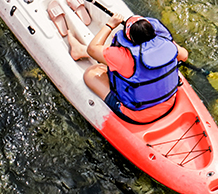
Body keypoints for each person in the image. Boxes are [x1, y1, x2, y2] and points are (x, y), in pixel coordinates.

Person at [49, 9, 188, 122]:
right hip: (169, 104)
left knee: (92, 73)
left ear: (130, 39)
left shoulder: (123, 56)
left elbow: (92, 49)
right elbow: (184, 55)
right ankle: (80, 50)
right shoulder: (170, 46)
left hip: (137, 115)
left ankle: (79, 51)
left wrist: (110, 25)